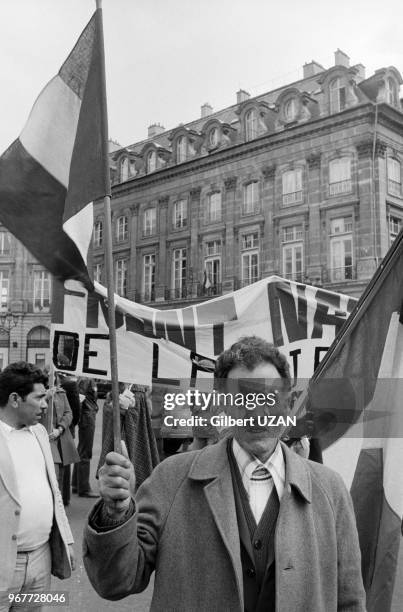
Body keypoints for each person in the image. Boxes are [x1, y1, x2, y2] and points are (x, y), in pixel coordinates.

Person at [83, 336, 365, 611]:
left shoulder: (331, 490)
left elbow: (350, 599)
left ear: (289, 403)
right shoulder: (171, 479)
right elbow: (116, 581)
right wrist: (116, 515)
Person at [0, 362, 75, 611]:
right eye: (39, 397)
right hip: (4, 563)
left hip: (41, 559)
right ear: (14, 399)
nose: (45, 404)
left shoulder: (40, 432)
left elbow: (53, 491)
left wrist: (67, 540)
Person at [45, 372, 80, 506]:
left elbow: (68, 412)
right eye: (49, 374)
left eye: (53, 374)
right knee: (51, 474)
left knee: (61, 473)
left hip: (60, 436)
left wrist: (60, 428)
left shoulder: (61, 392)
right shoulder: (39, 393)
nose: (51, 376)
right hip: (47, 438)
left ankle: (59, 507)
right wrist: (46, 397)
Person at [72, 376, 99, 498]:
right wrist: (80, 417)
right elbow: (80, 399)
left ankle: (77, 484)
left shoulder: (87, 379)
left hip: (87, 416)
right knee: (85, 452)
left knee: (81, 450)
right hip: (87, 417)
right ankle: (83, 488)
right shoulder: (86, 379)